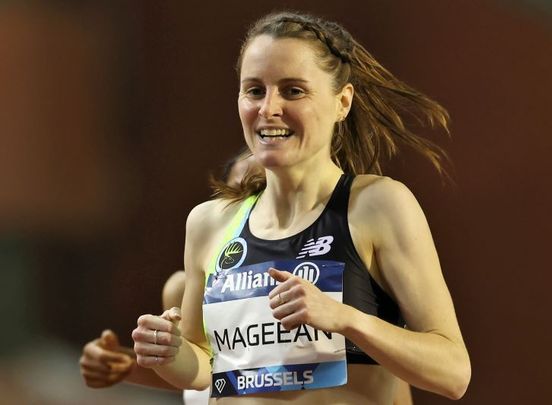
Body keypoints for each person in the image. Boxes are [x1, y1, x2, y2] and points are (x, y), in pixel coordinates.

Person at [132, 10, 470, 404]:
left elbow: (453, 372)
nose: (268, 108)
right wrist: (171, 353)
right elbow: (205, 366)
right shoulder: (209, 222)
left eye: (293, 90)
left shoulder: (376, 206)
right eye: (254, 90)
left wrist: (346, 319)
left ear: (342, 102)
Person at [79, 149, 262, 404]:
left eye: (266, 194)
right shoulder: (183, 290)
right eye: (239, 195)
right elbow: (203, 375)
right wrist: (125, 365)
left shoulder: (320, 281)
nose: (252, 210)